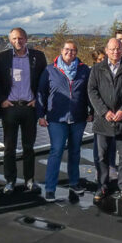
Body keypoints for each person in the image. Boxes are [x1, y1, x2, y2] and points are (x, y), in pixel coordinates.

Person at [37, 40, 92, 202]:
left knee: (75, 152)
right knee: (56, 151)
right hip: (57, 118)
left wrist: (92, 111)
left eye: (73, 50)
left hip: (78, 118)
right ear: (61, 51)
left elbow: (90, 92)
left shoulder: (84, 70)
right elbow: (41, 93)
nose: (70, 52)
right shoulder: (50, 70)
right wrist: (40, 115)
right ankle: (50, 188)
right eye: (67, 49)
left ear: (77, 52)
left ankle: (74, 183)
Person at [0, 27, 47, 194]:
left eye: (21, 38)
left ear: (26, 39)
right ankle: (10, 181)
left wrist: (38, 101)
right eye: (14, 39)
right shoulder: (2, 57)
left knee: (28, 147)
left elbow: (44, 81)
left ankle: (29, 180)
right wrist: (1, 100)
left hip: (29, 108)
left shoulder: (38, 56)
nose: (18, 41)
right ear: (10, 40)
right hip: (10, 108)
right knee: (9, 147)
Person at [88, 38, 122, 201]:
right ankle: (102, 185)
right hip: (103, 120)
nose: (115, 52)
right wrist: (104, 111)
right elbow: (92, 91)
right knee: (102, 156)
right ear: (106, 50)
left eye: (118, 49)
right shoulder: (97, 69)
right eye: (112, 49)